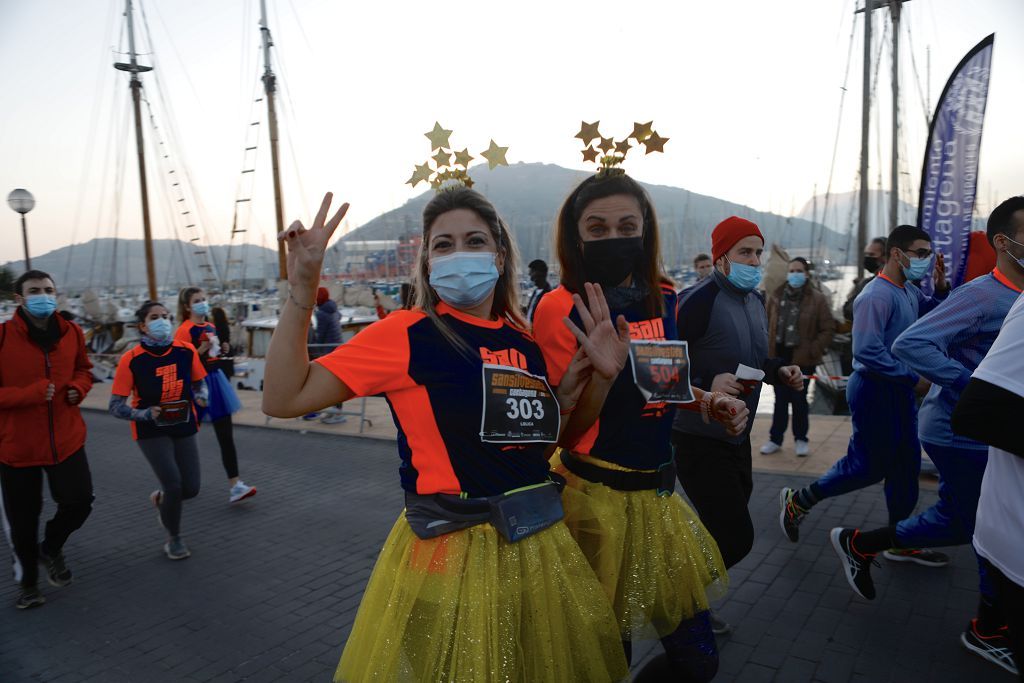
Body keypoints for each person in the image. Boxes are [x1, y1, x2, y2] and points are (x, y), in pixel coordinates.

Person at [263, 190, 629, 682]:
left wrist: (596, 383)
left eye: (474, 241)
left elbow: (547, 445)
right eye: (444, 244)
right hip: (449, 555)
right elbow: (283, 398)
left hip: (537, 548)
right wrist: (302, 290)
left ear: (498, 256)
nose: (460, 254)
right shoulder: (406, 333)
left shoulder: (523, 340)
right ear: (427, 261)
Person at [533, 171, 748, 680]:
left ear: (646, 230)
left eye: (626, 225)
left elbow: (662, 383)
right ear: (575, 235)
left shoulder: (664, 297)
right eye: (597, 227)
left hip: (658, 502)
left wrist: (708, 402)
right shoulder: (559, 307)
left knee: (698, 661)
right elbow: (559, 430)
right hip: (591, 500)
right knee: (608, 659)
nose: (613, 238)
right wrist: (601, 381)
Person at [829, 197, 1024, 675]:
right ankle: (987, 627)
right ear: (1004, 242)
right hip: (956, 428)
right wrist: (968, 383)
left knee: (975, 520)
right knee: (974, 524)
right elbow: (909, 343)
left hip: (987, 430)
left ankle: (866, 544)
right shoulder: (983, 294)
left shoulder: (1008, 297)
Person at [780, 225, 950, 559]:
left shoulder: (908, 291)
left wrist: (941, 291)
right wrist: (912, 379)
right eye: (920, 253)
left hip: (899, 391)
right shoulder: (875, 295)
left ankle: (898, 540)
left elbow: (929, 314)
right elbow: (867, 351)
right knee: (866, 466)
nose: (926, 261)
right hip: (874, 389)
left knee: (906, 466)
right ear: (897, 254)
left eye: (928, 254)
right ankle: (799, 500)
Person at [672, 218, 805, 581]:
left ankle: (690, 604)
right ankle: (682, 608)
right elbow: (661, 371)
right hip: (697, 437)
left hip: (737, 435)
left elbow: (755, 360)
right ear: (721, 258)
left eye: (758, 252)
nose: (754, 261)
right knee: (736, 538)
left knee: (722, 529)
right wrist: (705, 382)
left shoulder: (756, 300)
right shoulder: (696, 301)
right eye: (744, 252)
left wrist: (780, 372)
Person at [0, 270, 94, 609]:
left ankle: (51, 547)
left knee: (80, 501)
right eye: (35, 290)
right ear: (19, 298)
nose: (44, 295)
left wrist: (76, 388)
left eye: (49, 289)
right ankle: (28, 584)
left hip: (67, 438)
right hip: (17, 446)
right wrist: (32, 394)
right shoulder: (2, 337)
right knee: (24, 520)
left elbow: (84, 370)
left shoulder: (72, 333)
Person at [952, 289, 1024, 681]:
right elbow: (912, 342)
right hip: (944, 434)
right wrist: (952, 380)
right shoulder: (981, 294)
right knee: (949, 517)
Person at [110, 302, 209, 560]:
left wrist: (202, 396)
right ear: (143, 326)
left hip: (184, 422)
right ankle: (174, 539)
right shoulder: (131, 360)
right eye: (155, 317)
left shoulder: (186, 351)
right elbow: (116, 406)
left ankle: (162, 499)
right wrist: (142, 414)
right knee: (175, 485)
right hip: (150, 429)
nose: (163, 321)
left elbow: (199, 382)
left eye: (166, 316)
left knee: (191, 489)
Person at [175, 288, 255, 503]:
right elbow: (181, 362)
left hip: (215, 382)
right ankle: (173, 482)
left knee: (226, 437)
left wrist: (223, 348)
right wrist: (200, 350)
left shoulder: (210, 326)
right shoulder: (185, 330)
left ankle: (235, 485)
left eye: (203, 299)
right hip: (195, 386)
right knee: (186, 435)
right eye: (197, 301)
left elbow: (214, 355)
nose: (202, 303)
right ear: (187, 307)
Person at [761, 257, 835, 457]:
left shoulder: (816, 298)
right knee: (780, 401)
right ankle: (775, 439)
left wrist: (813, 349)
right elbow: (765, 324)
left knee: (800, 401)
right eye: (791, 270)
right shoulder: (776, 296)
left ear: (806, 274)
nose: (794, 274)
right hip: (778, 358)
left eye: (799, 271)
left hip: (803, 360)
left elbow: (828, 328)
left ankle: (801, 439)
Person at [843, 237, 888, 323]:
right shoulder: (866, 283)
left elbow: (850, 311)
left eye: (871, 255)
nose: (867, 258)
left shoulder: (873, 285)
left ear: (885, 257)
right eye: (866, 254)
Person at [524, 258, 551, 322]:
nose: (529, 274)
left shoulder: (548, 295)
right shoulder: (535, 292)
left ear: (540, 273)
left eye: (532, 272)